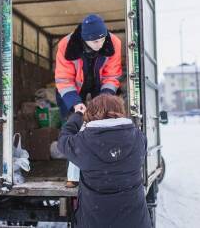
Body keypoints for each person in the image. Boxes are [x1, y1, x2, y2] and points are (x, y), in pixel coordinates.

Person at [57, 94, 153, 228]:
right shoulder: (139, 138)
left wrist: (77, 115)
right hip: (135, 222)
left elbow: (62, 141)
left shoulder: (82, 142)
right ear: (120, 111)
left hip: (95, 222)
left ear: (91, 113)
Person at [54, 14, 122, 187]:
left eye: (102, 39)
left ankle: (101, 165)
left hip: (100, 84)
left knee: (103, 121)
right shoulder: (66, 45)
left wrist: (104, 98)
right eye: (95, 42)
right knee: (73, 126)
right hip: (74, 88)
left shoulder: (113, 43)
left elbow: (112, 75)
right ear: (85, 40)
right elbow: (63, 79)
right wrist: (75, 103)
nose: (100, 44)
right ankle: (74, 173)